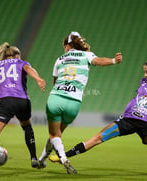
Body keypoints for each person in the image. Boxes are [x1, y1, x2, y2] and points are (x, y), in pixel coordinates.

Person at [38, 31, 122, 174]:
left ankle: (63, 158)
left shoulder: (60, 59)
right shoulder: (87, 55)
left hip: (56, 98)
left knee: (54, 135)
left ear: (67, 46)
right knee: (57, 133)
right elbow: (100, 61)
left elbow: (55, 81)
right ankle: (42, 160)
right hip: (74, 102)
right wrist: (114, 60)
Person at [0, 42, 46, 174]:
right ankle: (33, 158)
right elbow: (29, 69)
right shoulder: (21, 63)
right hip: (23, 101)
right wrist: (38, 79)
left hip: (5, 101)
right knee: (27, 126)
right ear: (17, 55)